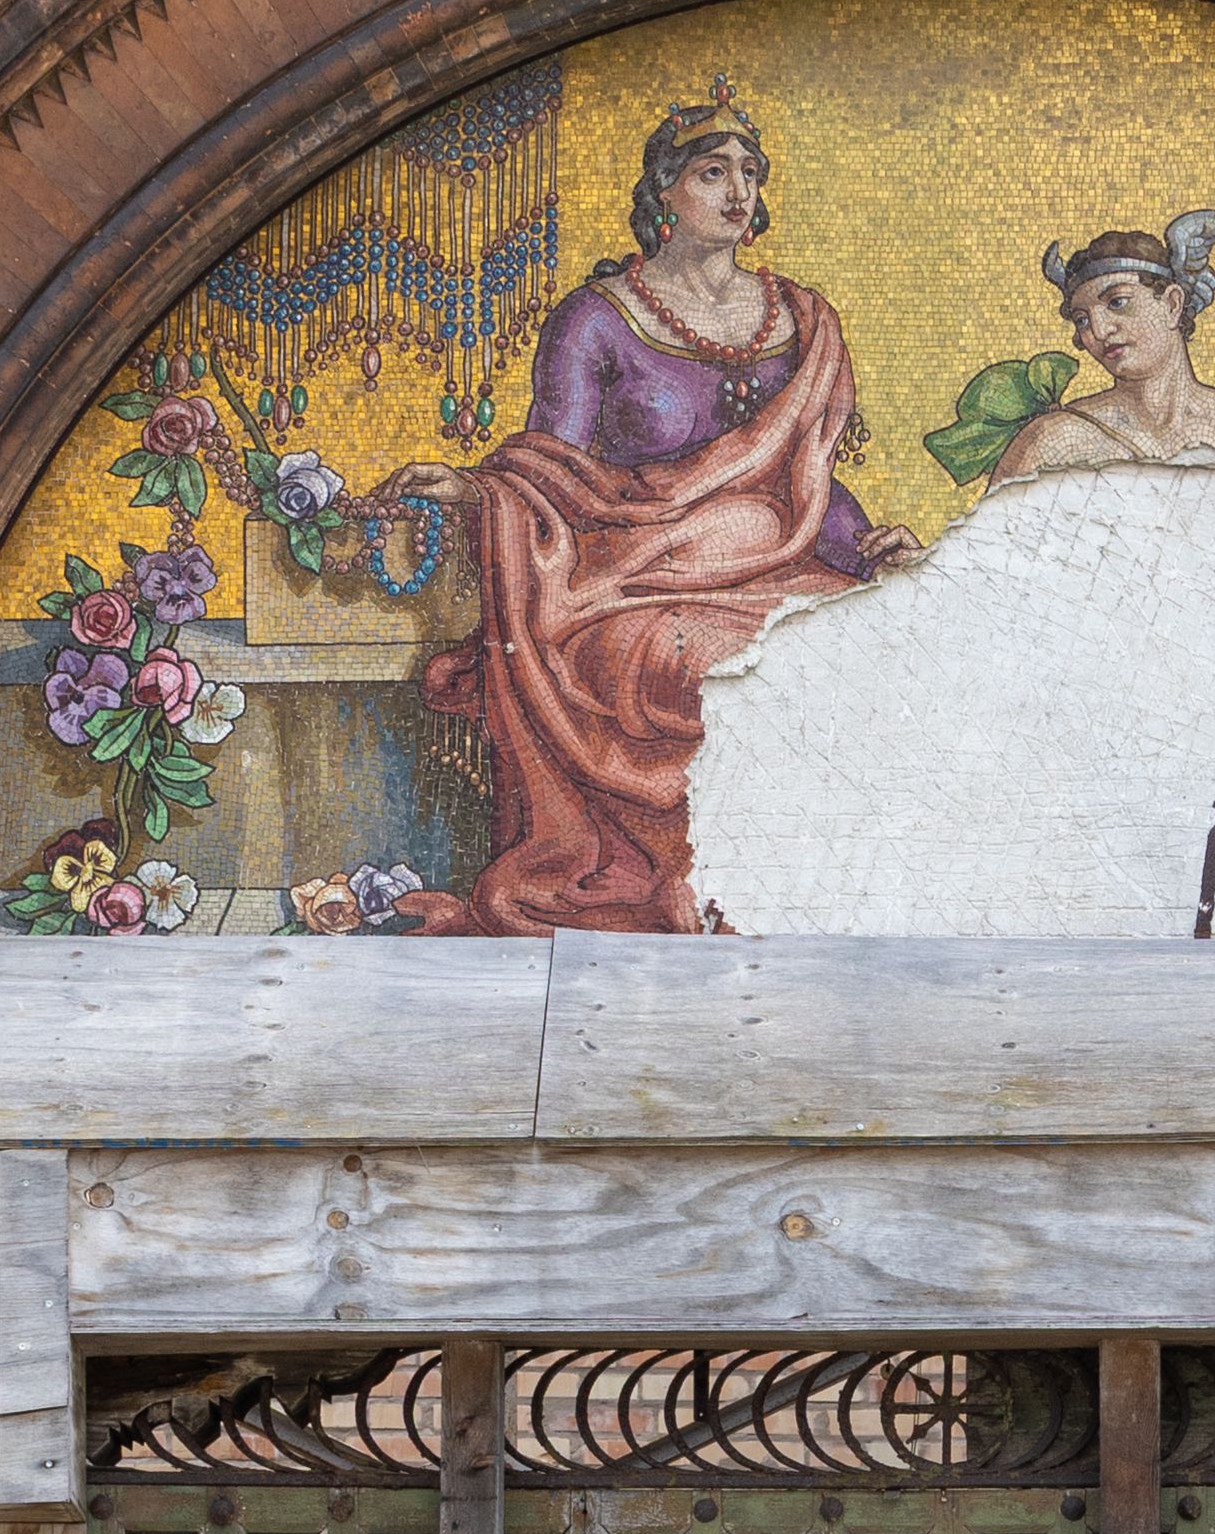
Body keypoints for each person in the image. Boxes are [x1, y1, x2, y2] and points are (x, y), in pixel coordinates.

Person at [382, 96, 915, 932]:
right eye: (711, 173)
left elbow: (806, 483)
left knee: (867, 648)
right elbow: (551, 474)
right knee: (719, 664)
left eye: (749, 173)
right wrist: (477, 492)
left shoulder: (802, 319)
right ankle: (712, 884)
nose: (736, 192)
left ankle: (827, 879)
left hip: (778, 569)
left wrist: (873, 552)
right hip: (629, 587)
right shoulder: (596, 318)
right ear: (664, 190)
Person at [982, 216, 1215, 484]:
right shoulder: (1055, 438)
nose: (1098, 330)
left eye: (1117, 302)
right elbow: (985, 555)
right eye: (1082, 319)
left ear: (1171, 304)